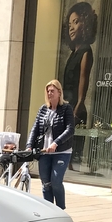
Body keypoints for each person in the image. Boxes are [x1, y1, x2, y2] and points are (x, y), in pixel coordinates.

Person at [26, 80, 75, 210]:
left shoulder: (66, 108)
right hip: (44, 152)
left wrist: (55, 143)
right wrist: (29, 145)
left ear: (59, 92)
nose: (49, 93)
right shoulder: (43, 109)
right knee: (46, 183)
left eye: (52, 91)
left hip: (62, 152)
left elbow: (70, 130)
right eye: (47, 91)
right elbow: (35, 129)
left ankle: (60, 211)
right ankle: (48, 211)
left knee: (56, 181)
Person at [62, 2, 97, 170]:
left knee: (72, 142)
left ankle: (71, 167)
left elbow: (84, 80)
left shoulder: (85, 51)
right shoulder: (73, 53)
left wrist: (78, 106)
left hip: (75, 105)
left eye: (76, 22)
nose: (71, 28)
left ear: (86, 23)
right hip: (66, 103)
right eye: (70, 24)